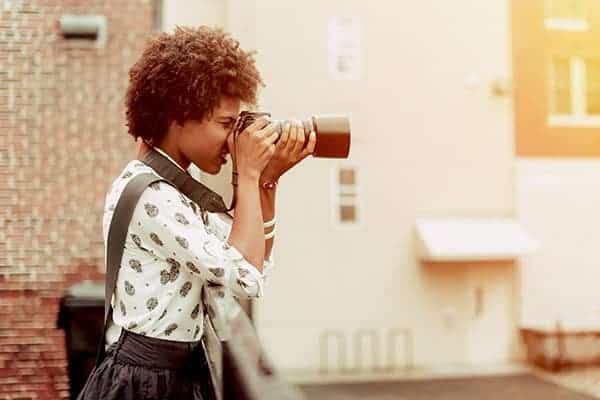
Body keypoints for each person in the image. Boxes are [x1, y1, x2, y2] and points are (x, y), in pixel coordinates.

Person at [77, 26, 315, 400]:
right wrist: (250, 175)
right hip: (146, 384)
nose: (232, 140)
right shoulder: (153, 196)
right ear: (178, 116)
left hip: (173, 374)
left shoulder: (173, 190)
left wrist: (267, 181)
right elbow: (246, 277)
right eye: (225, 124)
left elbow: (252, 261)